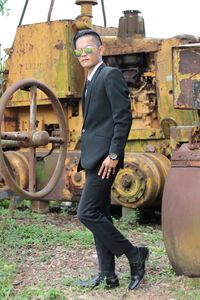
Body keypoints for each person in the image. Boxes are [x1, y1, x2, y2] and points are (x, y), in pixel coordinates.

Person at [73, 29, 149, 290]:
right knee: (100, 214)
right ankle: (108, 275)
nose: (83, 54)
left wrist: (114, 155)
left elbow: (122, 117)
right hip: (94, 158)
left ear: (101, 50)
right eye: (79, 51)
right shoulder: (91, 79)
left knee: (86, 213)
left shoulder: (109, 75)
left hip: (106, 159)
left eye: (88, 49)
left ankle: (134, 254)